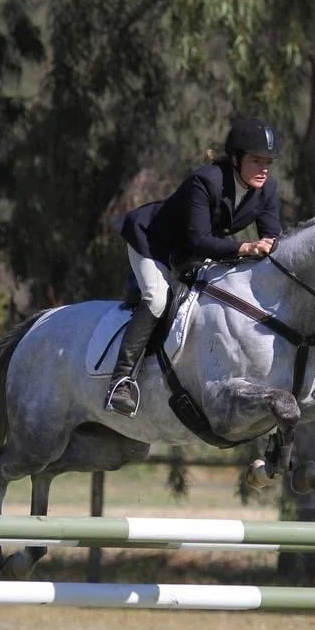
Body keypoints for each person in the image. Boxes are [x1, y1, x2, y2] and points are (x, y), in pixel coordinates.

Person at [107, 117, 283, 416]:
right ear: (237, 158)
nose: (264, 169)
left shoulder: (267, 190)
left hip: (194, 252)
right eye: (256, 161)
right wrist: (244, 247)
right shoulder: (206, 181)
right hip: (153, 244)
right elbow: (198, 239)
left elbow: (272, 236)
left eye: (268, 162)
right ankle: (121, 381)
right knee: (157, 298)